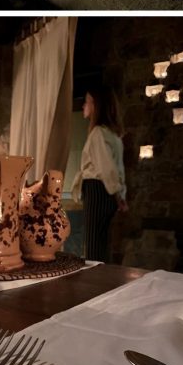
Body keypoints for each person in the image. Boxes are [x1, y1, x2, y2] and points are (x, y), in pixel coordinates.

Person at [71, 84, 127, 262]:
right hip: (107, 192)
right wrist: (120, 195)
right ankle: (103, 284)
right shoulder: (113, 135)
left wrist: (117, 194)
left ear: (96, 105)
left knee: (94, 245)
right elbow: (119, 170)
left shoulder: (97, 133)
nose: (83, 106)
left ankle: (96, 286)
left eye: (87, 102)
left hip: (98, 189)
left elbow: (107, 168)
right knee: (102, 243)